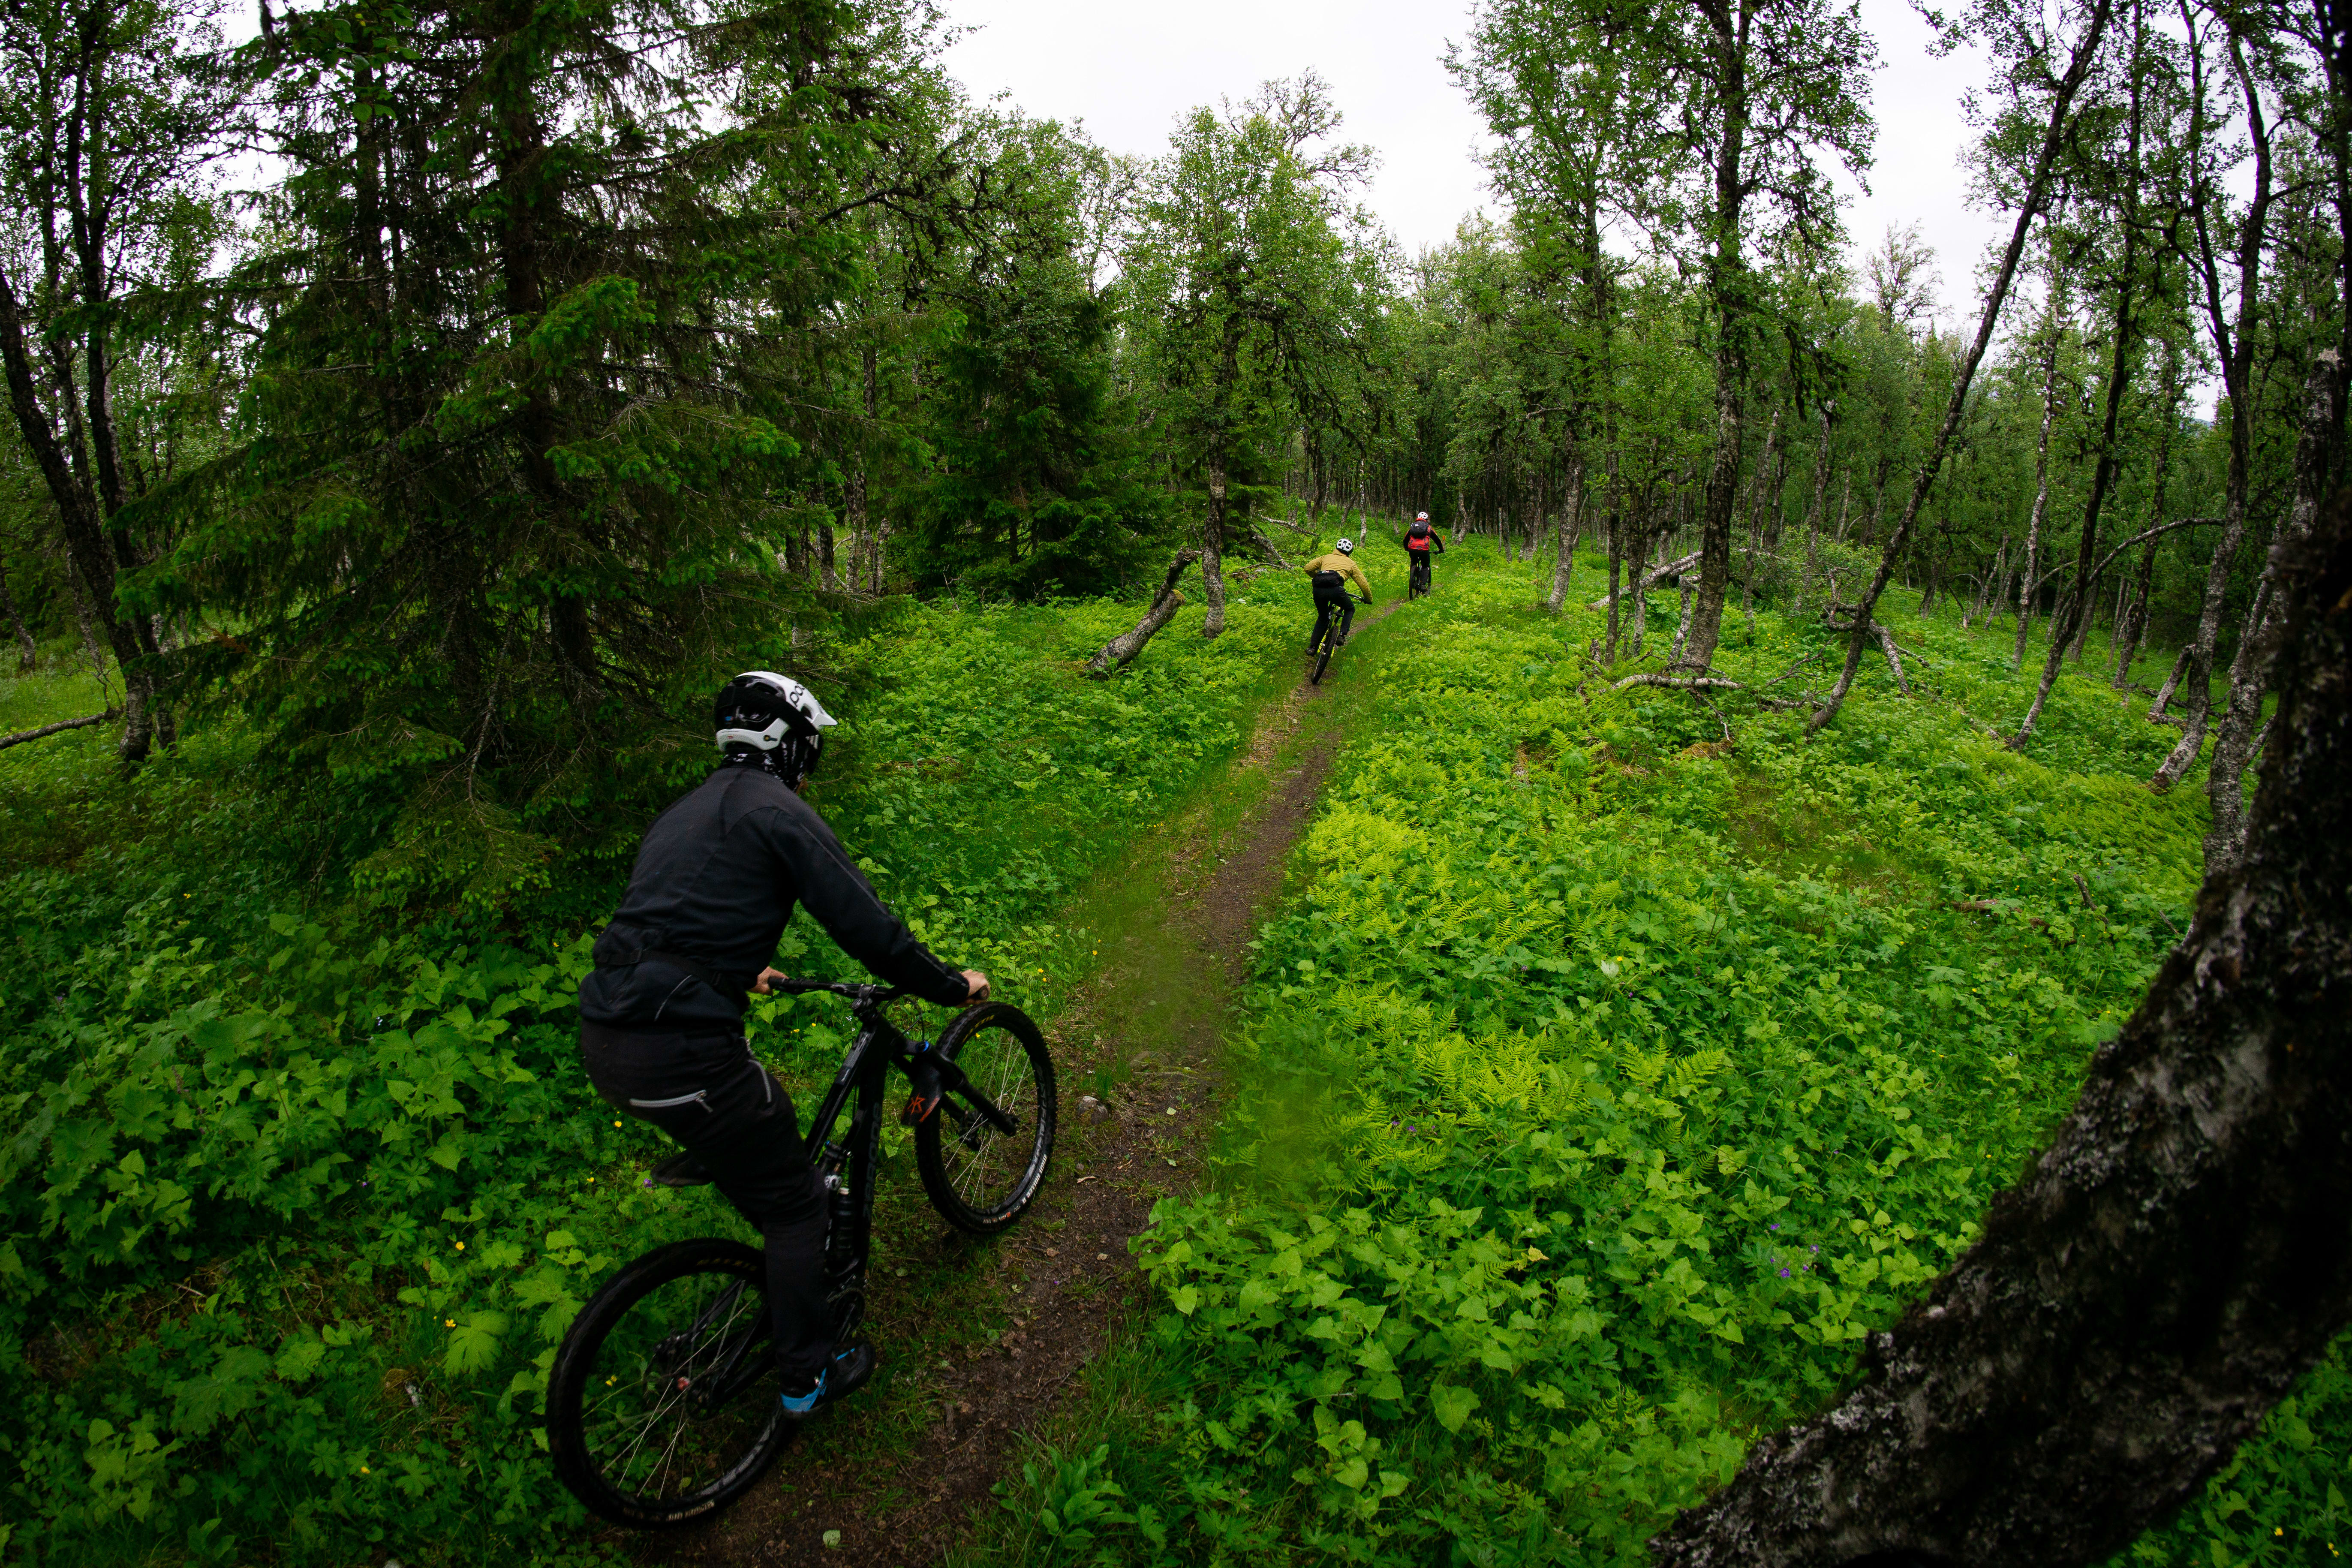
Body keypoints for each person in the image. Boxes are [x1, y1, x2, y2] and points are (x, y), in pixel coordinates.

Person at [577, 671, 989, 1421]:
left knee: (766, 1169)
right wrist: (947, 986)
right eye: (812, 745)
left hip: (607, 1037)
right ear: (790, 742)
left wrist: (737, 966)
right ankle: (811, 1373)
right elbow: (867, 926)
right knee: (798, 1205)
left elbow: (668, 912)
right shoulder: (778, 810)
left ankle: (775, 1281)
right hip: (681, 1051)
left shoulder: (685, 811)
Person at [1302, 538, 1374, 652]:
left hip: (1318, 590)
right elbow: (1363, 584)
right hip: (1336, 590)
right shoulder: (1350, 563)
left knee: (1323, 617)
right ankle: (1342, 635)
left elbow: (1308, 568)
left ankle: (1312, 647)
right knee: (1350, 609)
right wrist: (1369, 599)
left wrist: (1317, 576)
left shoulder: (1325, 557)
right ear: (1350, 553)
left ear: (1336, 548)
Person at [1403, 512, 1445, 591]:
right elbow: (1437, 539)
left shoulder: (1413, 526)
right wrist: (1441, 549)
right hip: (1424, 549)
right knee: (1426, 566)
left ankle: (1412, 581)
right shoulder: (1428, 528)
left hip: (1412, 548)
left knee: (1414, 562)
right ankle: (1422, 585)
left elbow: (1406, 538)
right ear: (1427, 519)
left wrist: (1406, 548)